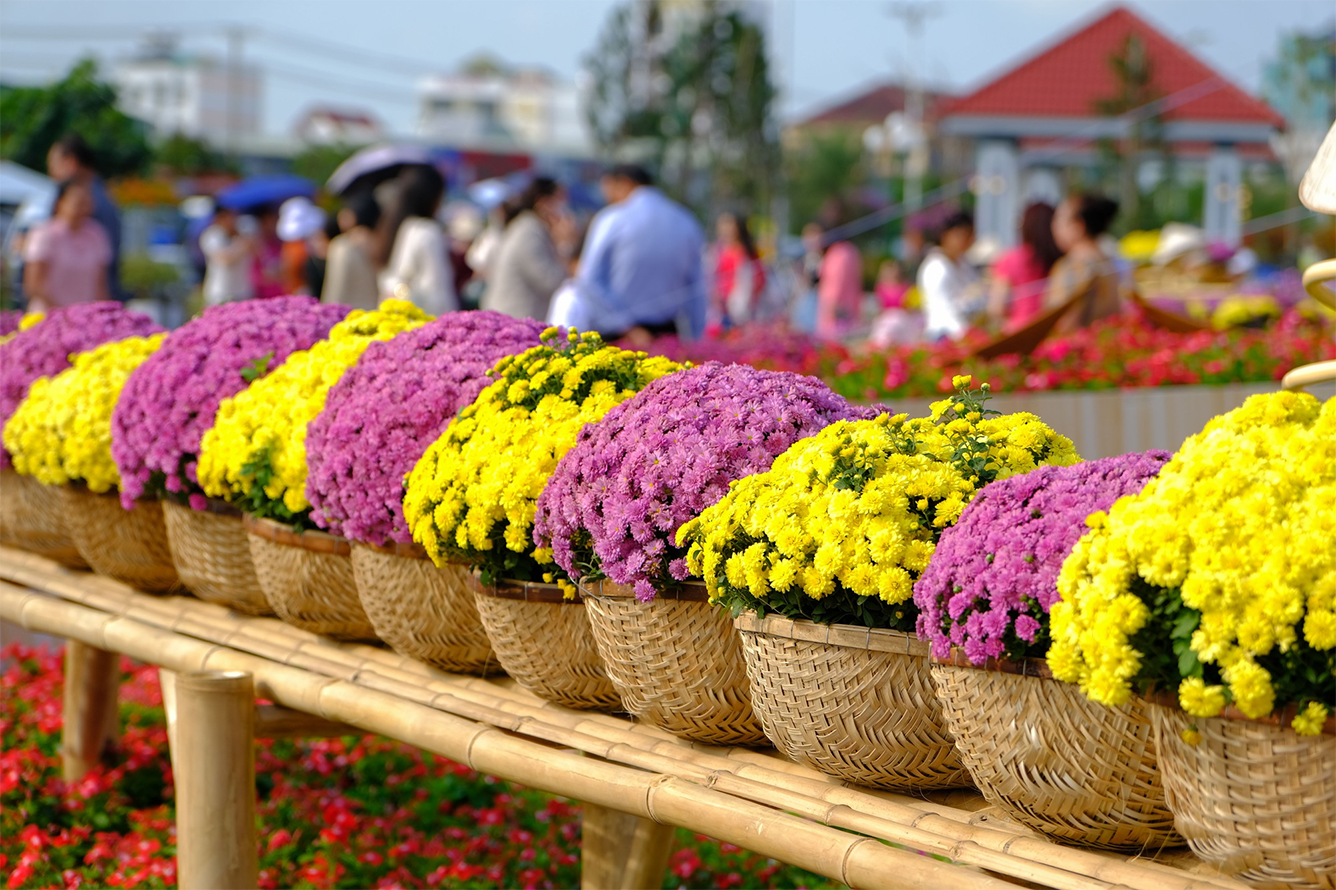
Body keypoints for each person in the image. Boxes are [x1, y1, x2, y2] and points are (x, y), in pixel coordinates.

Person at [575, 164, 706, 341]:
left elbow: (589, 280)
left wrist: (626, 326)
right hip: (667, 336)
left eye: (608, 188)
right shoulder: (686, 220)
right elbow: (696, 287)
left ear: (624, 183)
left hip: (617, 336)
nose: (606, 196)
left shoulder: (612, 219)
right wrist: (697, 341)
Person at [482, 177, 574, 321]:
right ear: (543, 203)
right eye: (560, 201)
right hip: (514, 321)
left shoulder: (527, 227)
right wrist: (565, 245)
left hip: (513, 317)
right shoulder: (529, 233)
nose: (564, 209)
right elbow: (551, 282)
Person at [47, 133, 124, 302]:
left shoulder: (87, 200)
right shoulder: (103, 195)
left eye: (53, 164)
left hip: (74, 306)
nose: (51, 172)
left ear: (71, 162)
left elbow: (103, 270)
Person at [375, 165, 458, 314]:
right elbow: (438, 291)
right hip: (423, 321)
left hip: (396, 319)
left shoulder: (399, 226)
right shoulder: (427, 231)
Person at [22, 180, 111, 312]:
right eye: (79, 203)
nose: (84, 208)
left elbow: (100, 285)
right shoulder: (44, 233)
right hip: (47, 317)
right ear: (60, 202)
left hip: (84, 318)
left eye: (87, 202)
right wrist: (63, 314)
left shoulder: (96, 234)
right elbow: (33, 284)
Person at [1047, 193, 1121, 332]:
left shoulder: (1071, 265)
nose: (1054, 226)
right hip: (1105, 344)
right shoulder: (1109, 261)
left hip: (1076, 349)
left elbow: (1064, 323)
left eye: (1059, 219)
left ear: (1078, 226)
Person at [989, 202, 1062, 329]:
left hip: (1020, 331)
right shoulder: (1061, 258)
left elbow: (996, 308)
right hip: (1053, 329)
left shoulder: (1009, 259)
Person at [919, 211, 982, 342]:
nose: (967, 241)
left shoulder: (964, 263)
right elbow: (944, 311)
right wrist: (967, 335)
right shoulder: (936, 268)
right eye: (961, 235)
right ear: (944, 235)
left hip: (963, 331)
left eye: (970, 235)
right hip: (943, 335)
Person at [322, 192, 381, 310]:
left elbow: (335, 291)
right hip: (375, 314)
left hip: (348, 317)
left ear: (353, 216)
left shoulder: (342, 246)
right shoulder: (380, 243)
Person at [709, 212, 767, 329]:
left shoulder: (747, 252)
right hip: (719, 307)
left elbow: (760, 278)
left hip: (742, 307)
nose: (725, 229)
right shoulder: (716, 251)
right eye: (722, 225)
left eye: (729, 224)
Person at [808, 223, 862, 341]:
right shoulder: (849, 250)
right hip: (849, 311)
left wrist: (831, 309)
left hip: (835, 315)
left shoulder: (837, 254)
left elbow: (836, 286)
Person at [200, 206, 255, 305]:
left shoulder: (242, 234)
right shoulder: (212, 236)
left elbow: (258, 253)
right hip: (220, 293)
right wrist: (242, 244)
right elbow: (225, 259)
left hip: (243, 292)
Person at [250, 209, 285, 299]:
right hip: (263, 294)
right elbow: (255, 276)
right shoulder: (254, 245)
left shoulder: (277, 241)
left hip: (280, 291)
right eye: (269, 221)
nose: (272, 225)